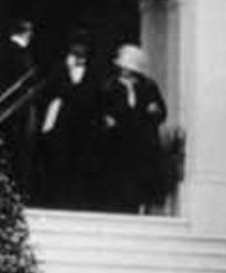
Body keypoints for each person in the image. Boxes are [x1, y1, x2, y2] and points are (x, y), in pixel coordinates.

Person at [99, 43, 169, 213]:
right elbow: (99, 108)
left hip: (140, 142)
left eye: (128, 68)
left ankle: (136, 206)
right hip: (116, 142)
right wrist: (106, 118)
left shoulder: (148, 86)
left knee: (137, 179)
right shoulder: (109, 85)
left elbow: (161, 112)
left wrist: (154, 111)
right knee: (116, 179)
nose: (124, 70)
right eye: (122, 67)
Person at [39, 33, 102, 208]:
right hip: (62, 124)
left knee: (81, 164)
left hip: (84, 125)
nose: (79, 51)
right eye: (76, 47)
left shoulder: (94, 71)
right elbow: (50, 92)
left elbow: (96, 96)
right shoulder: (59, 68)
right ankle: (59, 200)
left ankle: (79, 201)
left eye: (83, 48)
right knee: (60, 162)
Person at [0, 17, 43, 198]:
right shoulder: (18, 53)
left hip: (14, 109)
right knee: (18, 150)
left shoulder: (11, 51)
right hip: (17, 111)